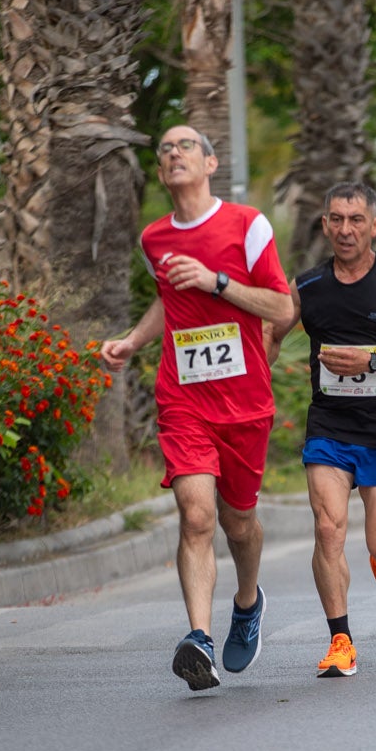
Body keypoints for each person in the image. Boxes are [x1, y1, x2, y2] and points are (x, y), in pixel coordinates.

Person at [100, 126, 295, 691]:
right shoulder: (154, 239)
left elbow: (281, 306)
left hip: (244, 402)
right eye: (164, 150)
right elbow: (168, 301)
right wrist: (134, 341)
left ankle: (248, 600)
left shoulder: (246, 225)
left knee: (238, 522)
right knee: (196, 514)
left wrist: (218, 282)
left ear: (210, 162)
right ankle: (200, 640)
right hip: (184, 398)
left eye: (185, 145)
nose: (173, 153)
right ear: (161, 173)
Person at [265, 182, 376, 677]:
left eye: (356, 220)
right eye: (337, 220)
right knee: (327, 529)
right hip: (329, 426)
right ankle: (340, 639)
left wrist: (371, 360)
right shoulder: (309, 288)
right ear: (324, 225)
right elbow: (270, 331)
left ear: (374, 225)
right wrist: (260, 365)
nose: (346, 230)